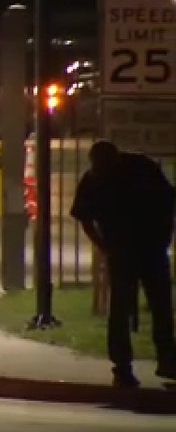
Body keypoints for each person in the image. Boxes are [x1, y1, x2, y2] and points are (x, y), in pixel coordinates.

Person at [70, 140, 176, 387]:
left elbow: (168, 202)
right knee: (124, 308)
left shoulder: (141, 169)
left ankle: (166, 360)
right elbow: (85, 218)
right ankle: (125, 365)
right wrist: (104, 247)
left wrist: (165, 235)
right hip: (126, 249)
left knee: (157, 306)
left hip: (148, 246)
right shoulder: (95, 178)